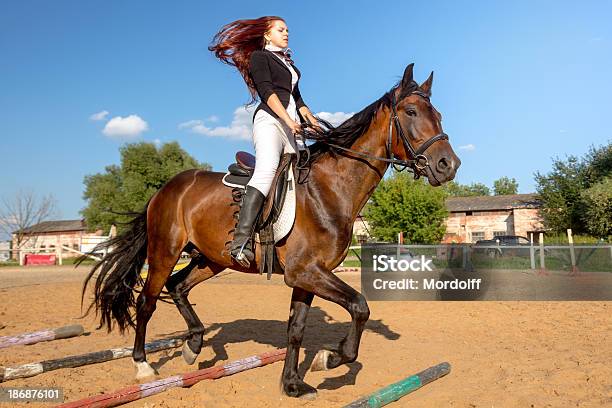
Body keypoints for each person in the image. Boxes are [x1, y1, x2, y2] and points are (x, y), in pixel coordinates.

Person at [209, 16, 321, 267]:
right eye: (281, 29)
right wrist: (288, 121)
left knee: (303, 171)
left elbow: (298, 100)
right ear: (267, 35)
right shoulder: (260, 58)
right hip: (270, 121)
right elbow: (267, 92)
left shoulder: (289, 63)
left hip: (289, 122)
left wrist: (312, 121)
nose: (287, 33)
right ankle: (240, 242)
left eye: (288, 29)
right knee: (267, 170)